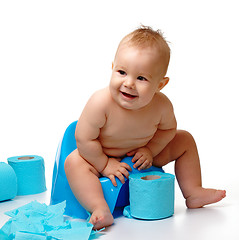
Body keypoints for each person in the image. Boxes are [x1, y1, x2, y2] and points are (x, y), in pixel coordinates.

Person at [64, 26, 226, 230]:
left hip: (142, 155)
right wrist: (104, 164)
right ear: (112, 67)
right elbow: (83, 138)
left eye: (141, 78)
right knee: (73, 162)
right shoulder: (100, 103)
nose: (129, 83)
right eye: (122, 72)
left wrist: (151, 150)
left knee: (184, 139)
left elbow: (168, 131)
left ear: (160, 84)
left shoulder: (162, 106)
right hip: (102, 157)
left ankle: (193, 192)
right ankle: (99, 208)